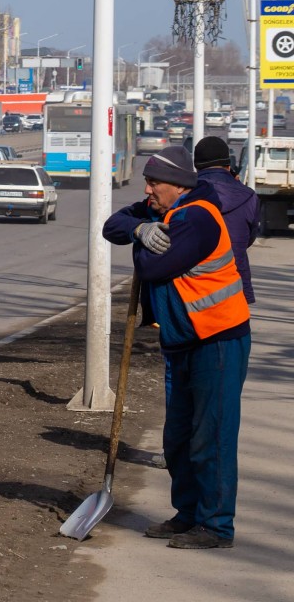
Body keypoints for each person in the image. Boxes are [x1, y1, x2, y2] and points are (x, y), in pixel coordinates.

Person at [102, 145, 250, 549]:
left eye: (153, 183)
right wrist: (138, 230)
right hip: (184, 339)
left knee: (211, 436)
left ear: (179, 185)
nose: (146, 189)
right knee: (179, 437)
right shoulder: (167, 210)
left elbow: (153, 267)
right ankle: (188, 514)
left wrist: (139, 240)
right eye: (147, 182)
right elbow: (111, 225)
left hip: (217, 340)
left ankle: (216, 525)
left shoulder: (198, 218)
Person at [193, 136, 259, 303]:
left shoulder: (187, 193)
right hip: (235, 284)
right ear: (229, 166)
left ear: (196, 166)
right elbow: (249, 239)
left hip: (196, 286)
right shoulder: (249, 196)